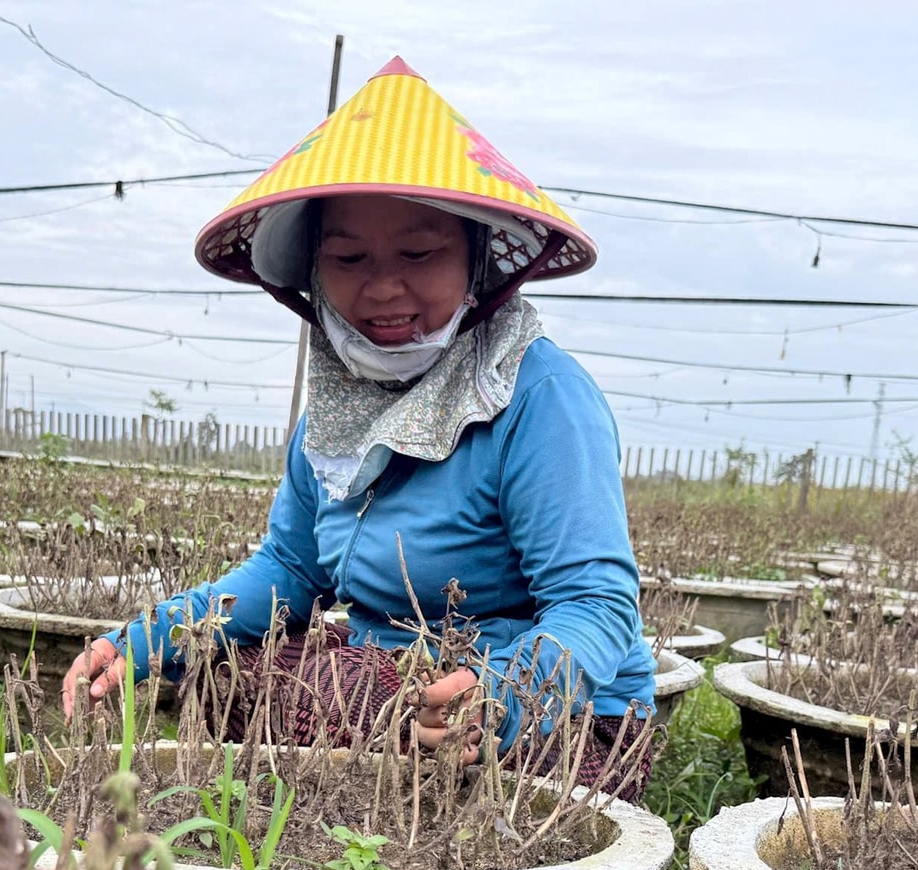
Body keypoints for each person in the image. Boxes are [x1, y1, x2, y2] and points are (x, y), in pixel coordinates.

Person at [63, 57, 655, 797]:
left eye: (419, 252)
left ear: (475, 259)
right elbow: (289, 571)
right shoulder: (333, 413)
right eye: (347, 258)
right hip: (388, 670)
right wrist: (152, 637)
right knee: (222, 677)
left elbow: (594, 605)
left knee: (340, 701)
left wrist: (500, 694)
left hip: (553, 714)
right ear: (313, 271)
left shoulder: (539, 396)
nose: (382, 287)